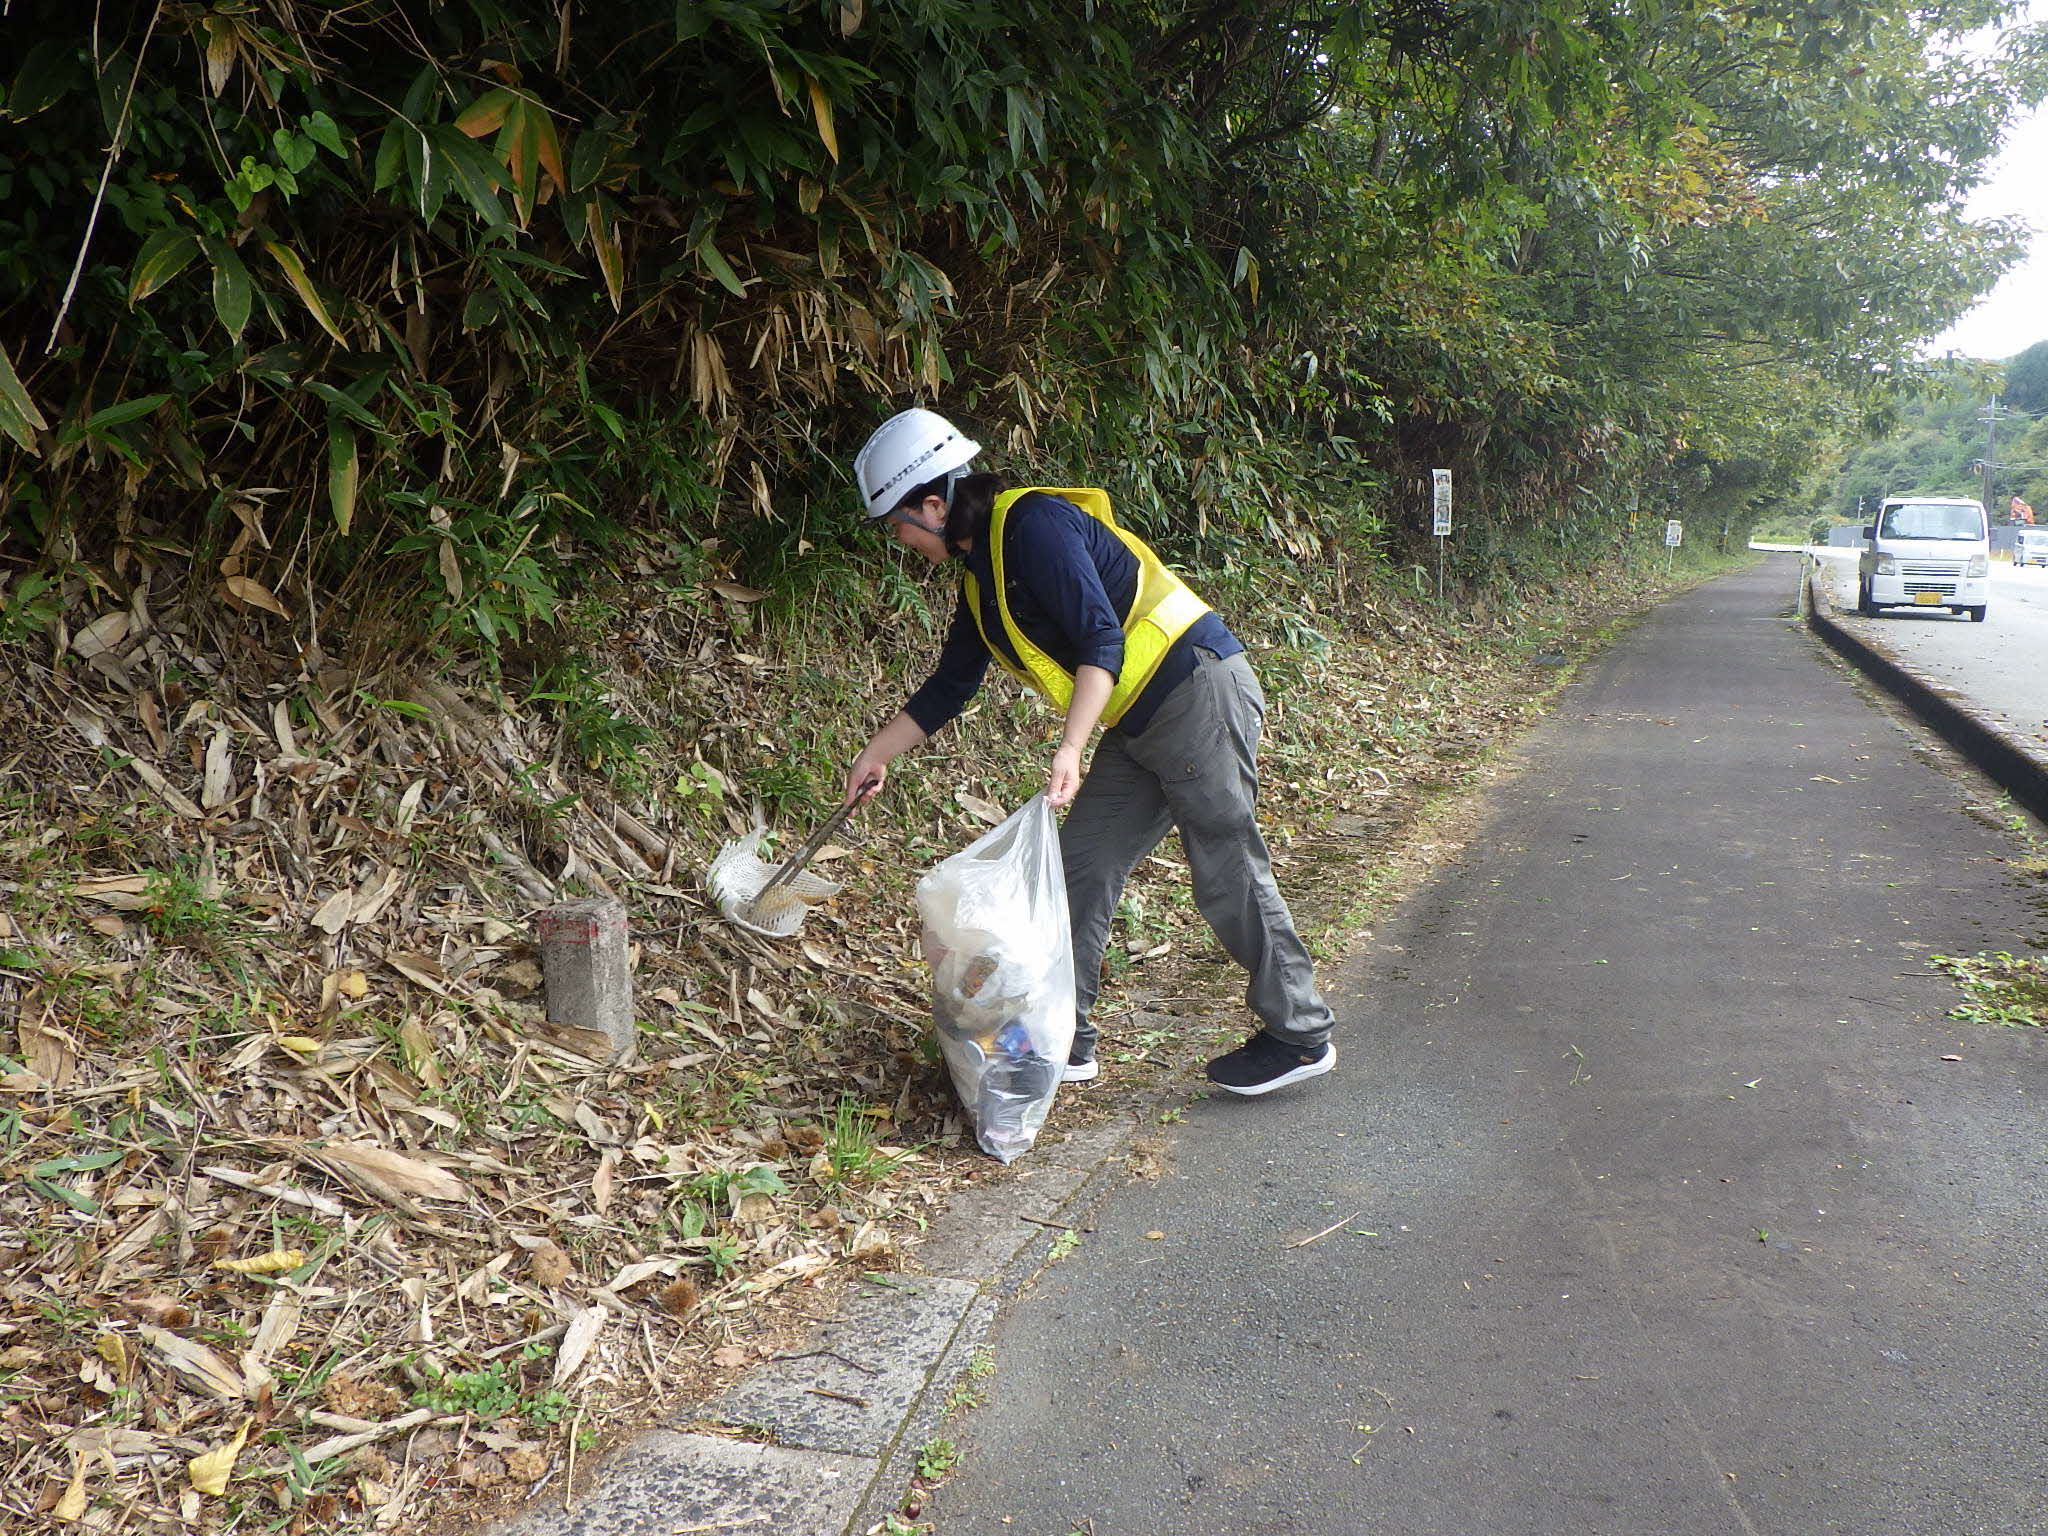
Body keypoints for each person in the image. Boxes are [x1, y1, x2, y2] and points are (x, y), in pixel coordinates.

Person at [840, 407, 1336, 1097]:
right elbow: (951, 684)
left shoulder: (1032, 526)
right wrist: (878, 752)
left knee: (1225, 864)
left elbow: (1101, 637)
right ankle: (1065, 1038)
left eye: (897, 524)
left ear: (932, 504)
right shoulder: (981, 577)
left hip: (1196, 690)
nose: (897, 539)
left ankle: (1300, 1033)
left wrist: (1070, 748)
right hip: (1138, 720)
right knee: (1080, 869)